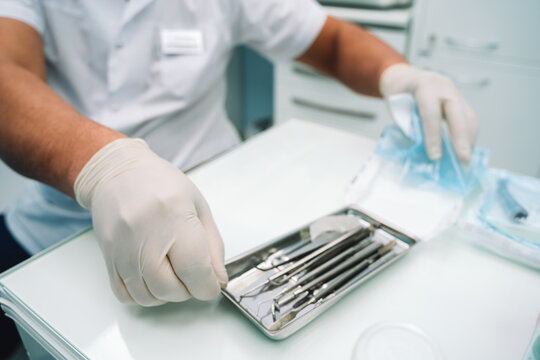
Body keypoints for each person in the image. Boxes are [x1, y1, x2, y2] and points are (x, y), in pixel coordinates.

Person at [0, 0, 477, 356]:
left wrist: (400, 75)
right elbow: (6, 74)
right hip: (59, 216)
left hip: (216, 205)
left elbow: (331, 41)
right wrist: (105, 165)